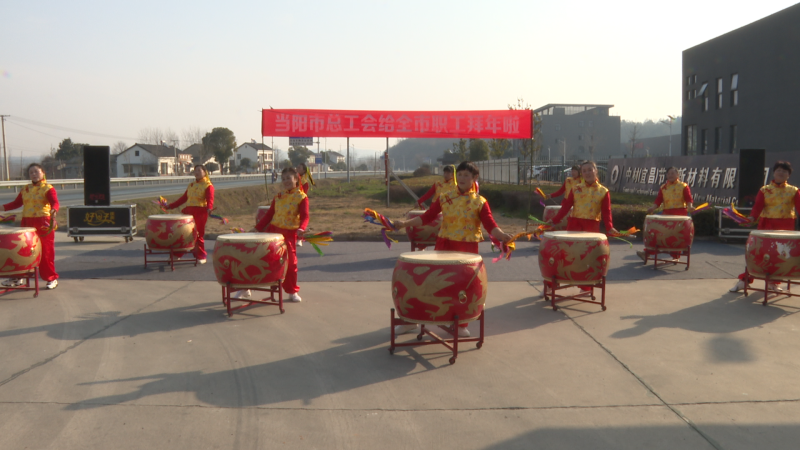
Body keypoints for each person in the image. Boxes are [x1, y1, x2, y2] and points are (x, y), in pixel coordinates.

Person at [394, 161, 512, 337]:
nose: (462, 178)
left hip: (467, 249)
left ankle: (460, 323)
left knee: (464, 287)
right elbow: (427, 217)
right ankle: (411, 320)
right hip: (444, 245)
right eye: (460, 174)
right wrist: (405, 223)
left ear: (475, 178)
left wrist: (502, 235)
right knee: (431, 283)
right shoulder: (445, 197)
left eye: (466, 175)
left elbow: (490, 225)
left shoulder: (480, 202)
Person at [730, 160, 800, 292]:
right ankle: (744, 280)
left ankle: (774, 283)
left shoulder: (793, 191)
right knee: (758, 255)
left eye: (784, 171)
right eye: (778, 170)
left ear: (788, 175)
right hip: (767, 225)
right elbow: (757, 207)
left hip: (786, 227)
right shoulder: (765, 190)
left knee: (780, 257)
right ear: (774, 173)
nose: (781, 173)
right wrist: (751, 218)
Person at [254, 167, 309, 302]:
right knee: (260, 259)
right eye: (283, 179)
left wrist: (302, 228)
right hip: (273, 232)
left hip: (289, 235)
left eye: (288, 178)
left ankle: (292, 291)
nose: (286, 181)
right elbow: (269, 215)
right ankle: (246, 288)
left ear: (296, 179)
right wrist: (257, 228)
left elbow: (305, 216)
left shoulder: (301, 197)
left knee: (291, 264)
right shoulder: (278, 196)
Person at [2, 163, 60, 289]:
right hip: (27, 223)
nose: (34, 174)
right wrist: (2, 208)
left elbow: (55, 202)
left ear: (43, 172)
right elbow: (16, 203)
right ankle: (18, 277)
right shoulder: (25, 189)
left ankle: (51, 278)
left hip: (44, 223)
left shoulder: (48, 188)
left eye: (36, 171)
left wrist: (54, 210)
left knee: (46, 252)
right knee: (22, 251)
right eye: (31, 172)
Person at [637, 167, 695, 262]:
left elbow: (688, 198)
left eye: (672, 173)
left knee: (675, 236)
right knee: (659, 235)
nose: (670, 175)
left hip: (680, 215)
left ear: (677, 175)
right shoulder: (663, 187)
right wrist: (653, 208)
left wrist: (690, 206)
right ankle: (647, 253)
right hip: (667, 214)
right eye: (669, 174)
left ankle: (676, 257)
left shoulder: (683, 186)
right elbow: (658, 200)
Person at [547, 161, 619, 235]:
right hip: (574, 225)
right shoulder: (575, 189)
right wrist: (554, 220)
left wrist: (609, 228)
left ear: (596, 171)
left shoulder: (603, 191)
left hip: (592, 226)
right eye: (584, 171)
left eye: (590, 170)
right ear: (581, 173)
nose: (587, 173)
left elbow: (606, 211)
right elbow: (566, 207)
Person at [165, 164, 214, 264]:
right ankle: (177, 255)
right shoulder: (191, 185)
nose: (197, 172)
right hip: (188, 212)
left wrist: (209, 208)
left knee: (198, 234)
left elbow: (210, 199)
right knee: (183, 233)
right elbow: (183, 199)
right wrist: (170, 206)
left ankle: (200, 256)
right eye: (195, 171)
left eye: (199, 170)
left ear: (205, 172)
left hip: (200, 212)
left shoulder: (208, 185)